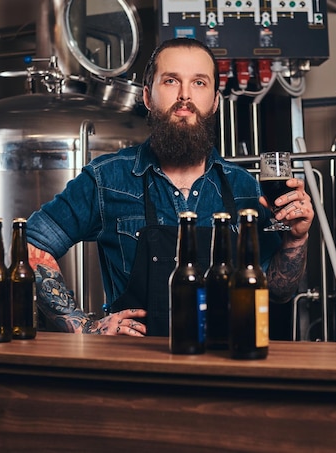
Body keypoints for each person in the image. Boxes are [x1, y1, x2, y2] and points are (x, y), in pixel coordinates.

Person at [26, 37, 314, 336]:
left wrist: (295, 241)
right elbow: (31, 244)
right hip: (134, 368)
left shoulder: (244, 187)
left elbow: (278, 290)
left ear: (215, 101)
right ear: (148, 97)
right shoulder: (106, 179)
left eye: (199, 83)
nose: (185, 96)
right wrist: (83, 326)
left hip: (226, 366)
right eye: (171, 81)